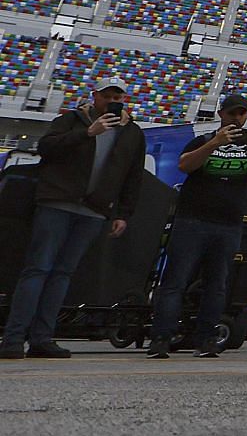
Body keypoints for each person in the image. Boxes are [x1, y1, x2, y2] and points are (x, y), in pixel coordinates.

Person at [1, 84, 148, 360]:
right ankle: (13, 338)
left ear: (125, 100)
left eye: (118, 98)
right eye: (107, 97)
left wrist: (123, 213)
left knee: (62, 274)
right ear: (96, 97)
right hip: (57, 201)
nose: (112, 102)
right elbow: (46, 147)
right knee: (38, 269)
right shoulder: (72, 119)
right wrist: (88, 133)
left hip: (93, 209)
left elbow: (133, 175)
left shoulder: (132, 133)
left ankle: (42, 338)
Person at [148, 94, 247, 359]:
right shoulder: (203, 140)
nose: (237, 119)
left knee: (217, 285)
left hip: (228, 224)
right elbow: (185, 165)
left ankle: (206, 339)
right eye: (232, 114)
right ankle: (161, 338)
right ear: (221, 115)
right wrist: (215, 143)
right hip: (192, 221)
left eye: (241, 114)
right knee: (175, 282)